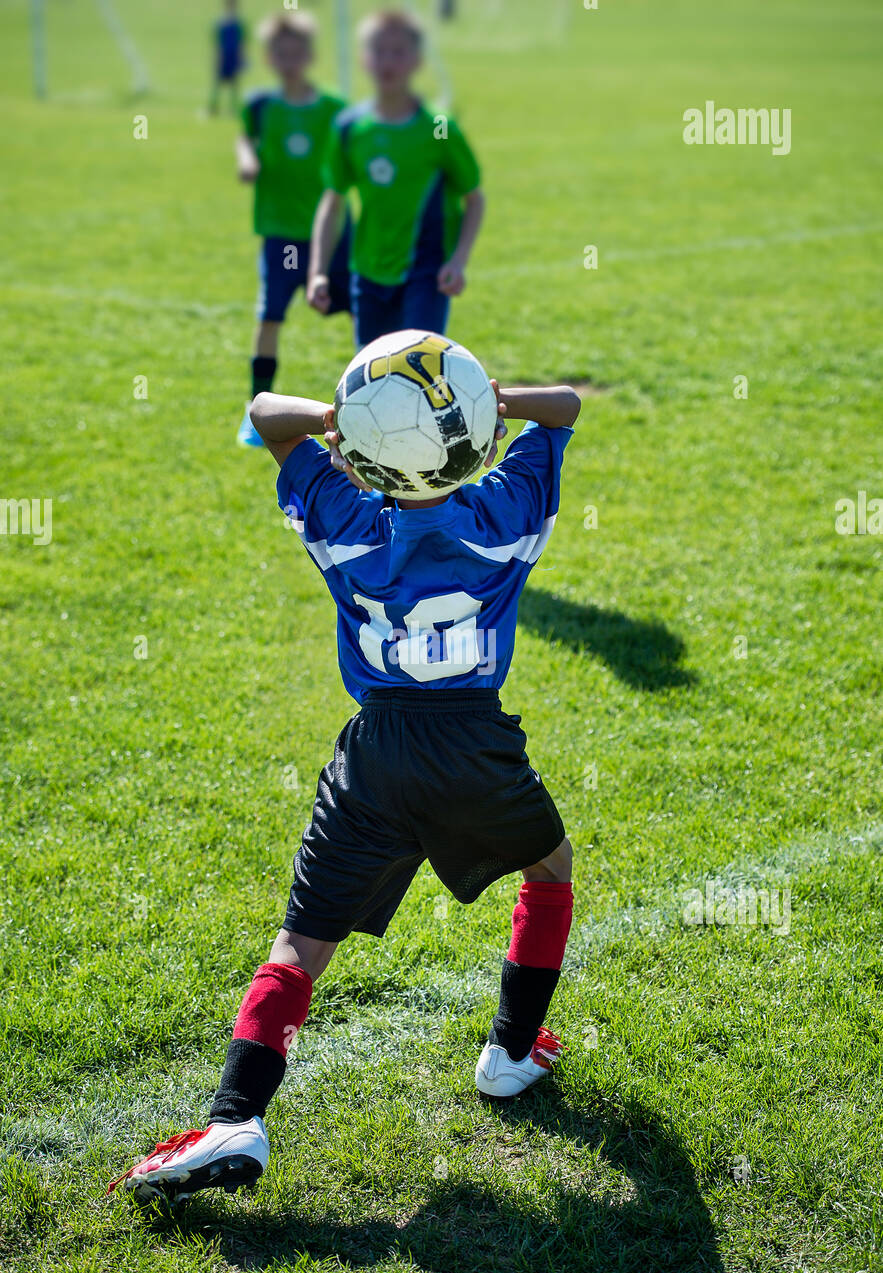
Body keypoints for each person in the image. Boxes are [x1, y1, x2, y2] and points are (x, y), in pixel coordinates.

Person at [109, 363, 580, 1200]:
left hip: (375, 755)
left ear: (363, 458)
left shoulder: (345, 517)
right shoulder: (505, 508)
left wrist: (345, 415)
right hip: (475, 743)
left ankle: (234, 1118)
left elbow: (264, 413)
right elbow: (566, 408)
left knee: (300, 945)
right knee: (549, 870)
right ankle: (511, 1052)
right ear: (473, 447)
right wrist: (479, 401)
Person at [307, 9, 484, 348]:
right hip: (368, 272)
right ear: (364, 59)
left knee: (418, 368)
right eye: (378, 51)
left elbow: (474, 198)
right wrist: (317, 271)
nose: (388, 61)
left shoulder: (438, 127)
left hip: (426, 272)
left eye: (399, 52)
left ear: (417, 60)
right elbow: (333, 201)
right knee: (371, 378)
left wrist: (458, 260)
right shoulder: (349, 128)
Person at [235, 12, 351, 447]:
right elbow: (245, 137)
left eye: (297, 51)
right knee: (270, 315)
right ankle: (255, 412)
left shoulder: (334, 110)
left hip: (334, 232)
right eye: (280, 53)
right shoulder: (260, 107)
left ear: (310, 55)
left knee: (363, 314)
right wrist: (247, 158)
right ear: (270, 57)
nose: (289, 60)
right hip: (282, 233)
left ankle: (379, 403)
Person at [209, 0, 247, 118]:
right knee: (217, 83)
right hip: (223, 56)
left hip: (233, 57)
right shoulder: (221, 24)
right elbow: (217, 44)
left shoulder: (238, 24)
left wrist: (241, 58)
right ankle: (213, 108)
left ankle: (232, 108)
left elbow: (241, 43)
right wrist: (217, 58)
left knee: (234, 84)